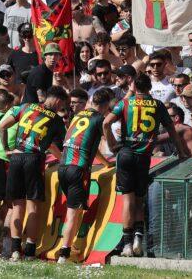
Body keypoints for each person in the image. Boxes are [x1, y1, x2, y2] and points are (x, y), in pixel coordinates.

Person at [104, 73, 187, 257]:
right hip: (144, 156)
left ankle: (126, 245)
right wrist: (181, 152)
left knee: (127, 200)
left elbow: (106, 122)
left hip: (125, 153)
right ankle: (137, 241)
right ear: (149, 87)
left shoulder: (125, 103)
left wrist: (111, 144)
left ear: (134, 87)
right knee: (140, 201)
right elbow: (171, 129)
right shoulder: (157, 105)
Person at [0, 86, 69, 260]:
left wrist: (7, 148)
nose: (62, 109)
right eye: (62, 106)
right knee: (33, 206)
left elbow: (2, 126)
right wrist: (62, 161)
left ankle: (15, 249)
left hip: (16, 157)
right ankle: (29, 250)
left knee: (17, 206)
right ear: (58, 101)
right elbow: (55, 146)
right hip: (34, 159)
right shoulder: (57, 121)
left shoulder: (25, 107)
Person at [56, 87, 114, 263]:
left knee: (74, 210)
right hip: (78, 170)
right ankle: (64, 255)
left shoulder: (78, 115)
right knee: (73, 213)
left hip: (63, 167)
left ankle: (69, 245)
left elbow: (90, 147)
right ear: (105, 105)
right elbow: (106, 144)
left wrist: (105, 163)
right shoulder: (99, 119)